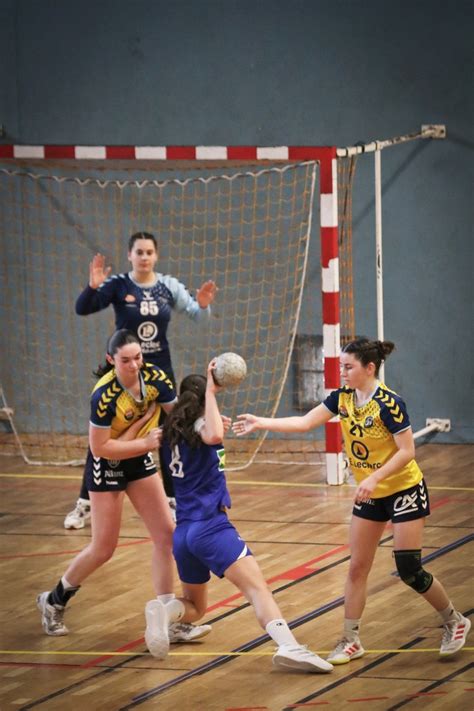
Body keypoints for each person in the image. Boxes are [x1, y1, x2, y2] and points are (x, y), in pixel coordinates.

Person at [233, 338, 470, 662]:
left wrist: (373, 477)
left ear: (369, 368)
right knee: (357, 566)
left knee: (409, 568)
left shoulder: (389, 402)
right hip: (371, 495)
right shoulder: (342, 399)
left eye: (348, 367)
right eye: (341, 366)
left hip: (403, 490)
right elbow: (304, 423)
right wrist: (262, 422)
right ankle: (351, 639)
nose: (342, 372)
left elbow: (407, 451)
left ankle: (454, 620)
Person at [142, 360, 333, 673]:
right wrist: (212, 391)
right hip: (211, 527)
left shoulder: (169, 435)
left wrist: (211, 405)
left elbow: (206, 431)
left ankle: (166, 613)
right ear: (205, 397)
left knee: (196, 609)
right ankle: (289, 646)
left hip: (185, 533)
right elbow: (213, 435)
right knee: (257, 589)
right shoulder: (202, 427)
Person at [37, 330, 211, 645]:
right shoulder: (103, 396)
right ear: (111, 360)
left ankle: (166, 617)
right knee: (103, 548)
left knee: (167, 535)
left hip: (138, 458)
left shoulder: (156, 378)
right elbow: (100, 448)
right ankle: (53, 600)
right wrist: (145, 441)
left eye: (137, 358)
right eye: (125, 360)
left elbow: (179, 415)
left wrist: (206, 424)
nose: (133, 365)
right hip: (109, 463)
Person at [64, 231, 217, 530]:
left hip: (157, 369)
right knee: (105, 436)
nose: (144, 257)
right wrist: (92, 287)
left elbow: (199, 317)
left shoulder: (168, 286)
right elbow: (83, 308)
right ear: (130, 256)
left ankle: (172, 499)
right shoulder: (119, 285)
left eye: (149, 252)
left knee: (167, 432)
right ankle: (85, 504)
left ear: (156, 256)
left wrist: (202, 305)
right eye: (139, 252)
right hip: (123, 373)